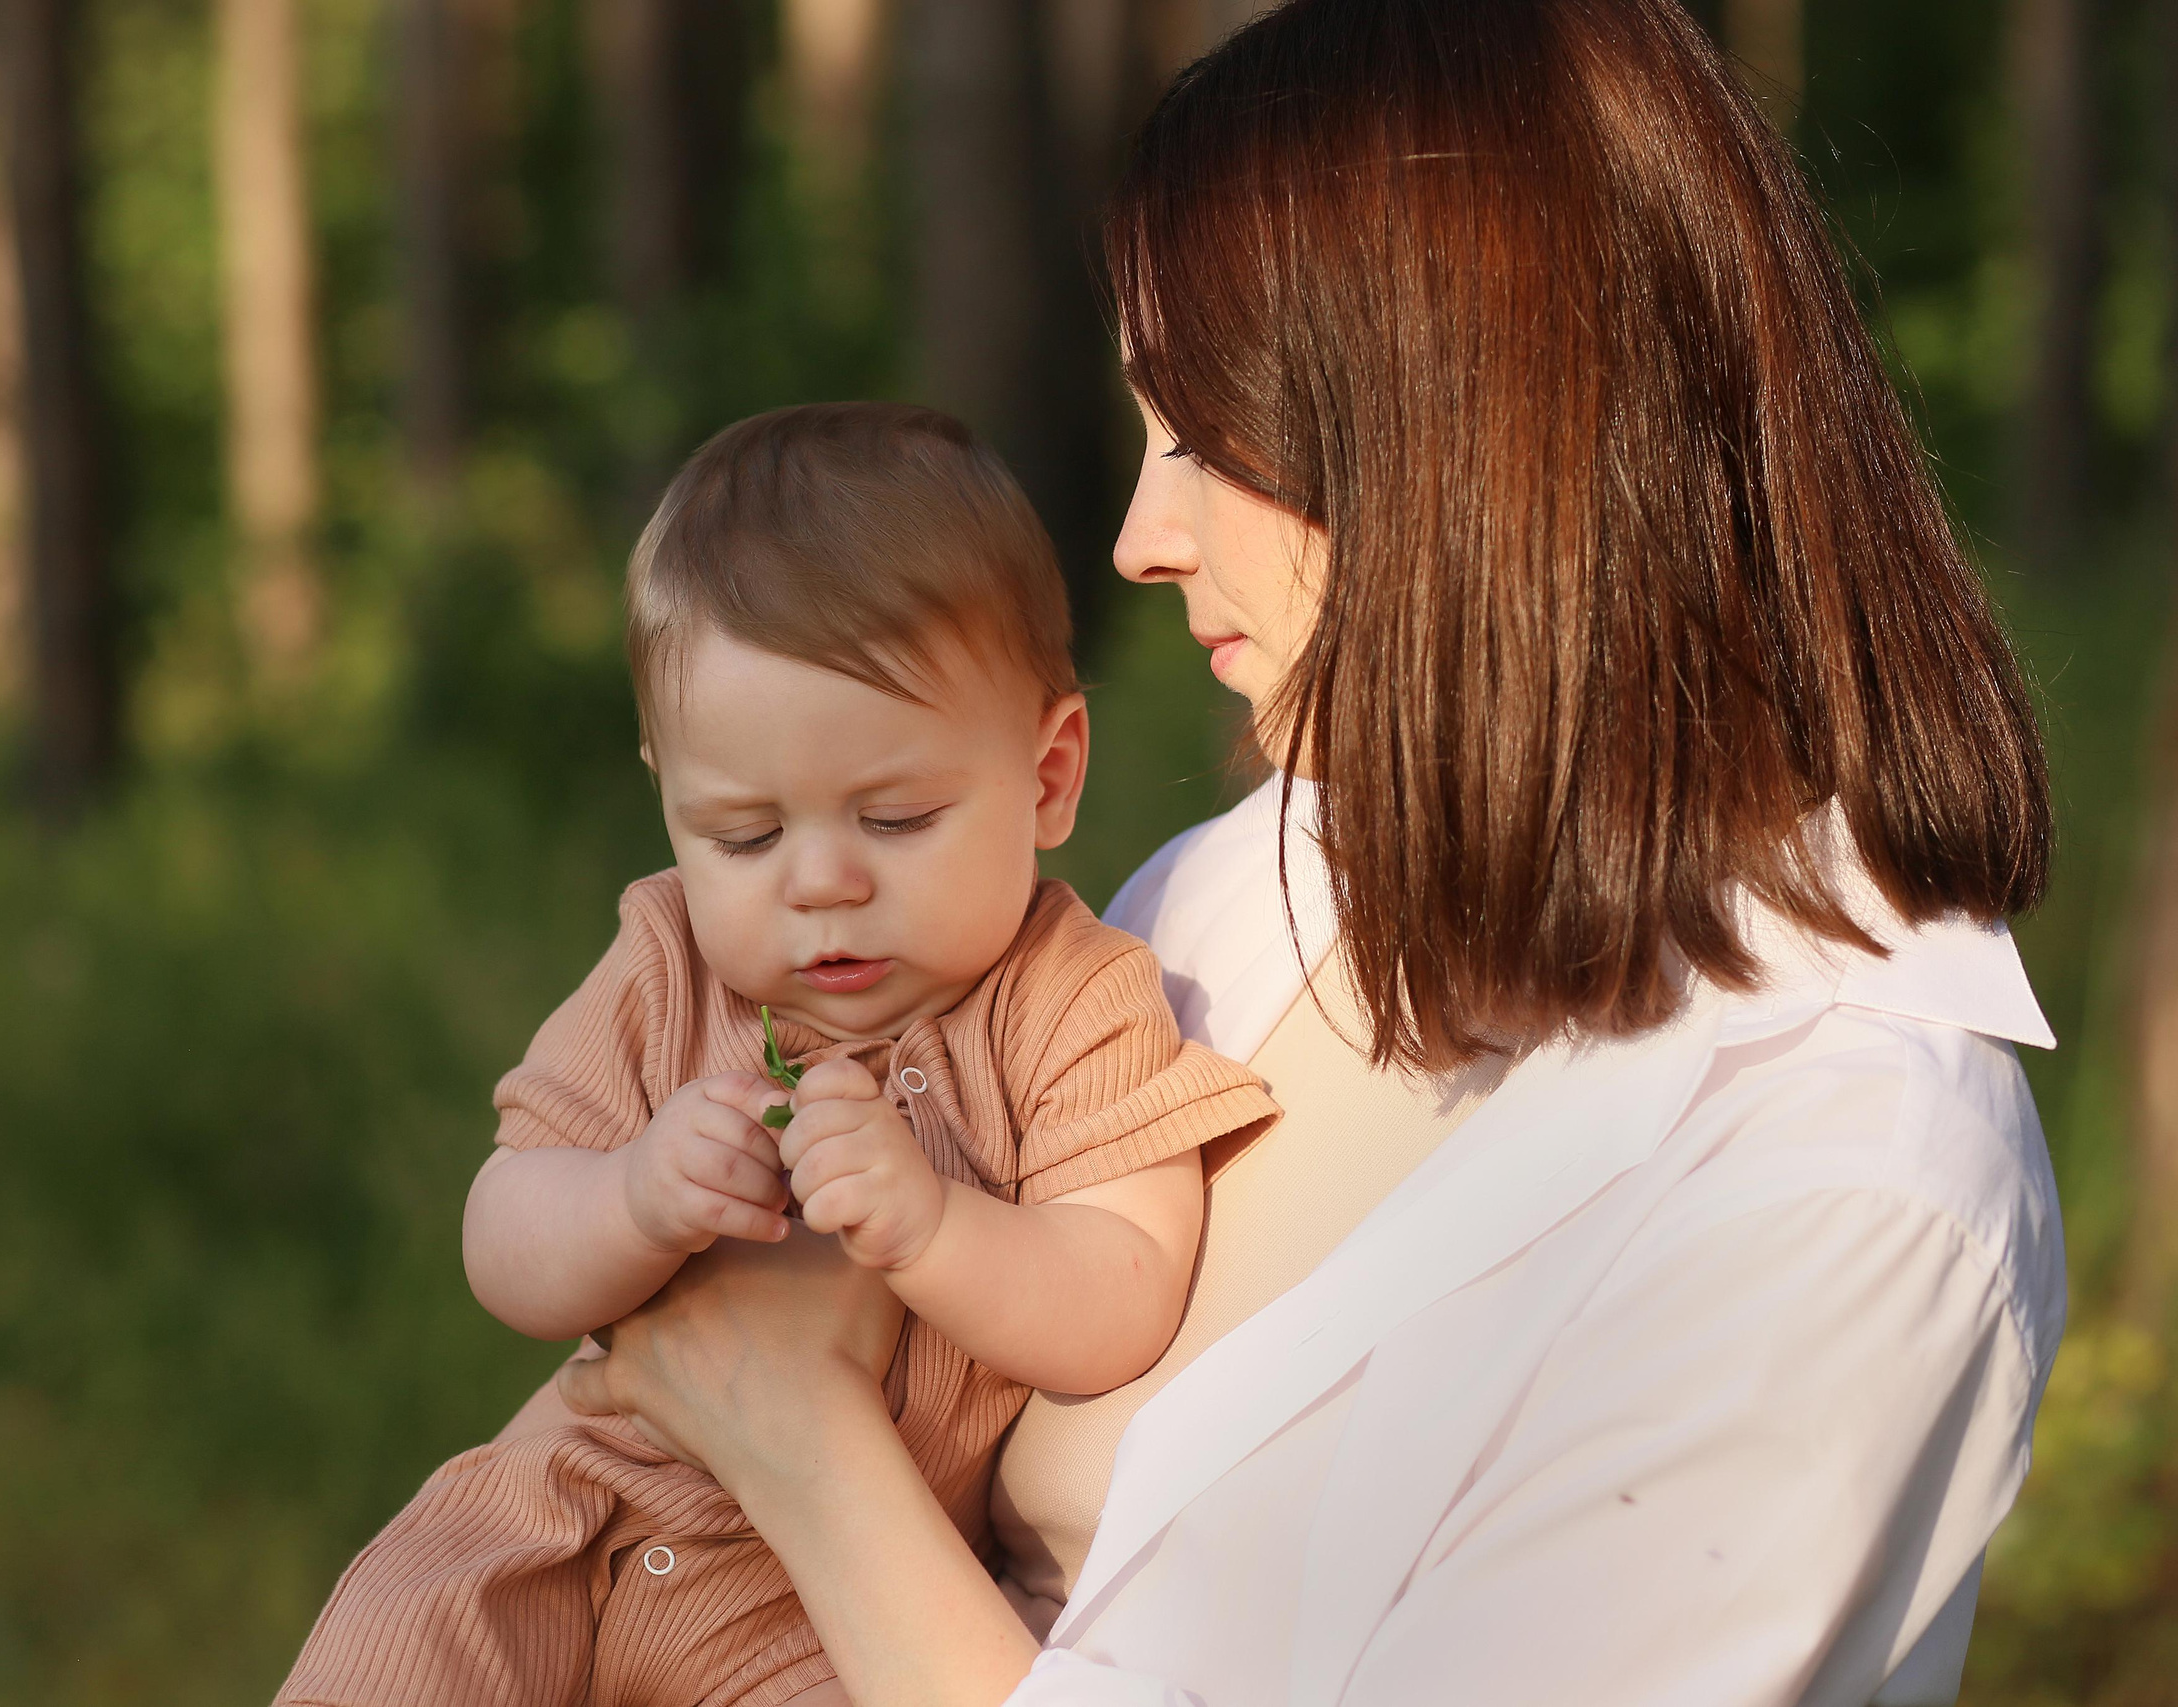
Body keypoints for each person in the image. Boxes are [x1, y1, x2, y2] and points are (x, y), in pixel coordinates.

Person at [550, 2, 2066, 1703]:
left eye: (1199, 437)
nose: (1138, 538)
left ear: (1459, 437)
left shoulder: (1841, 1191)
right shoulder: (1242, 891)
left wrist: (794, 1447)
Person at [272, 403, 1278, 1707]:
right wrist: (631, 1192)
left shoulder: (1069, 999)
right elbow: (504, 1234)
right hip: (561, 1521)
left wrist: (933, 1230)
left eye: (896, 817)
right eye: (743, 837)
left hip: (808, 1605)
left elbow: (1126, 1289)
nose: (819, 885)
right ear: (670, 803)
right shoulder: (666, 962)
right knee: (387, 1656)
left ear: (1048, 776)